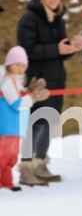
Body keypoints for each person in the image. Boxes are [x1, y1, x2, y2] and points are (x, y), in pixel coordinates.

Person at [17, 0, 82, 184]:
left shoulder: (58, 19)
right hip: (38, 80)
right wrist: (56, 49)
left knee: (49, 122)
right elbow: (26, 50)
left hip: (56, 78)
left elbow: (60, 51)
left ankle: (40, 163)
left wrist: (71, 47)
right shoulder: (29, 18)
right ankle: (26, 167)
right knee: (35, 123)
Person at [1, 47, 50, 191]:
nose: (20, 69)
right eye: (17, 65)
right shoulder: (8, 82)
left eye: (23, 66)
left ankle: (7, 182)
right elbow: (17, 103)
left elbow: (22, 96)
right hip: (5, 127)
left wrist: (30, 90)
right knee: (2, 157)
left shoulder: (17, 83)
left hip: (15, 127)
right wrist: (33, 97)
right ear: (9, 64)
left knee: (11, 157)